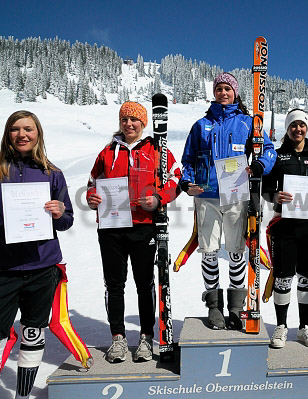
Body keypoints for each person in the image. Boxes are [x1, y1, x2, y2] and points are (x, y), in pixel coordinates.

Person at [179, 72, 276, 330]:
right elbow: (187, 160)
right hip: (207, 194)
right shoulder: (201, 125)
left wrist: (258, 166)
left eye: (227, 89)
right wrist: (186, 182)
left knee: (236, 251)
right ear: (214, 92)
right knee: (209, 252)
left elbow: (268, 150)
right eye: (219, 88)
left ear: (235, 93)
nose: (223, 93)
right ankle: (214, 306)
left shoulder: (247, 123)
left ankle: (235, 307)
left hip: (236, 193)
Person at [86, 102, 181, 363]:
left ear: (143, 123)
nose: (129, 124)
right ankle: (117, 338)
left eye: (134, 120)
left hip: (143, 227)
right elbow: (92, 183)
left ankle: (145, 338)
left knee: (144, 284)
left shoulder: (157, 150)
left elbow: (176, 177)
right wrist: (91, 197)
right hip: (111, 228)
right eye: (124, 119)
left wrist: (160, 199)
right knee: (114, 284)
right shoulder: (107, 152)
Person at [0, 111, 74, 398]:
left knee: (33, 331)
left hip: (43, 266)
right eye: (15, 130)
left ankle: (22, 394)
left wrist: (59, 213)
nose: (22, 135)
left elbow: (67, 220)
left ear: (37, 134)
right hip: (4, 267)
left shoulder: (52, 173)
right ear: (8, 135)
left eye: (28, 129)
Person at [262, 109, 308, 350]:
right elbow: (265, 187)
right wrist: (275, 195)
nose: (298, 129)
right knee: (283, 276)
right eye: (294, 125)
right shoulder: (277, 155)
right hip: (285, 223)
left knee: (306, 276)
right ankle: (281, 326)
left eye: (302, 125)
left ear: (307, 128)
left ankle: (304, 327)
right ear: (288, 128)